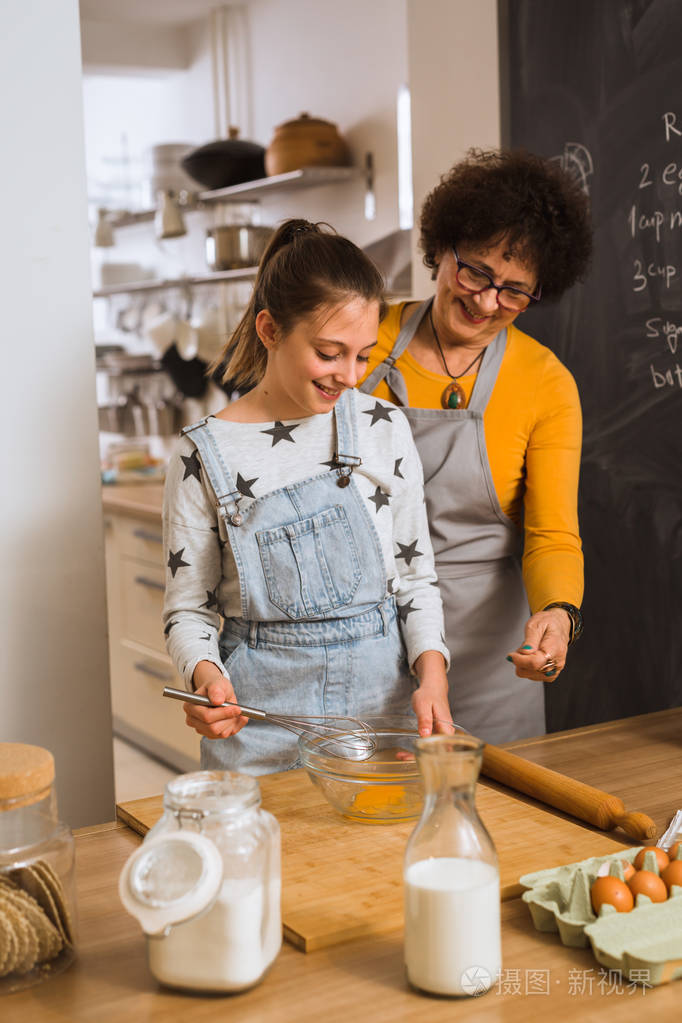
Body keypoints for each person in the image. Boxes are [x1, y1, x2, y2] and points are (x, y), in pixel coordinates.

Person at [162, 219, 451, 774]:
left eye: (363, 355)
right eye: (329, 352)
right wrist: (205, 677)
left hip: (382, 719)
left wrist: (433, 677)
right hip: (259, 727)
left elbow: (415, 578)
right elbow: (187, 608)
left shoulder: (382, 428)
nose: (349, 375)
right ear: (270, 330)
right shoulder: (203, 454)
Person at [360, 148, 592, 744]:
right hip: (357, 638)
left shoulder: (545, 382)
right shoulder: (360, 337)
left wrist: (557, 613)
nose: (489, 302)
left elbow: (552, 534)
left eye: (515, 292)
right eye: (476, 273)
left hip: (487, 660)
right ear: (443, 250)